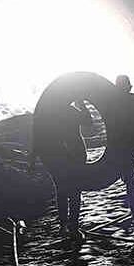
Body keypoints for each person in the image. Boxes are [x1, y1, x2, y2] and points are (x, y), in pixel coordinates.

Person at [33, 100, 91, 242]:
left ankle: (64, 226)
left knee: (62, 191)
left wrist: (33, 158)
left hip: (57, 156)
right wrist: (81, 104)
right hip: (74, 155)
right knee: (75, 192)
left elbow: (38, 136)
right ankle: (73, 227)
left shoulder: (49, 114)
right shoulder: (70, 111)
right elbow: (88, 122)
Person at [113, 75, 134, 227]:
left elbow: (111, 127)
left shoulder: (113, 103)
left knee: (130, 182)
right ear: (129, 86)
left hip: (124, 145)